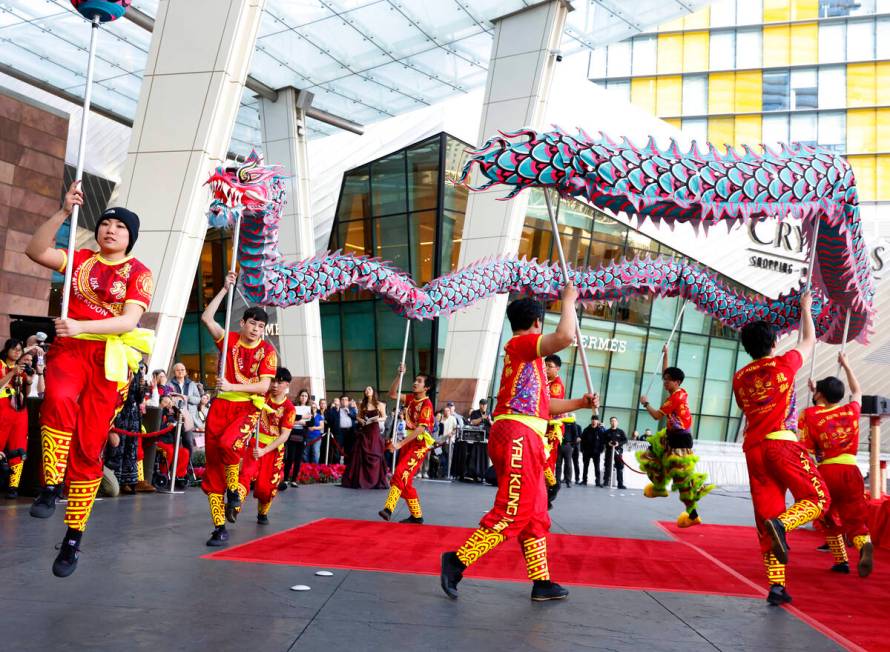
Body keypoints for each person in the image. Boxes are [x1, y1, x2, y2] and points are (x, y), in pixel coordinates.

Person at [26, 182, 154, 577]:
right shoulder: (79, 259)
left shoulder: (139, 273)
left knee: (87, 447)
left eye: (119, 226)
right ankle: (50, 486)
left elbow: (131, 320)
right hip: (70, 353)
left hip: (109, 361)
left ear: (130, 237)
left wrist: (81, 325)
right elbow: (35, 250)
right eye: (105, 223)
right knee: (59, 399)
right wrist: (64, 212)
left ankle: (73, 539)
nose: (110, 229)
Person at [440, 286, 598, 602]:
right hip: (518, 436)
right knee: (513, 510)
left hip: (526, 435)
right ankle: (456, 561)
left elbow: (544, 406)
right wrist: (568, 300)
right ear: (537, 323)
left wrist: (580, 402)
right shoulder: (522, 345)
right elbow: (566, 336)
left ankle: (541, 581)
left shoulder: (530, 359)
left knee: (536, 513)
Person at [732, 291, 829, 606]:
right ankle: (782, 524)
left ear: (748, 349)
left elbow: (746, 409)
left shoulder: (739, 377)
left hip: (754, 450)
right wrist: (804, 310)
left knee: (765, 516)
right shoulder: (783, 363)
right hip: (782, 444)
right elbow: (809, 341)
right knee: (818, 500)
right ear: (773, 343)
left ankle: (776, 587)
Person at [200, 270, 276, 547]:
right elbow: (207, 318)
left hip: (245, 408)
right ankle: (219, 527)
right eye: (252, 324)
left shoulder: (267, 352)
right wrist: (223, 288)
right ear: (242, 323)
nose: (256, 329)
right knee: (212, 469)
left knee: (229, 444)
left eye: (260, 326)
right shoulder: (229, 340)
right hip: (220, 408)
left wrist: (231, 387)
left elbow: (264, 387)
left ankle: (235, 488)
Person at [798, 352, 874, 578]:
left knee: (827, 516)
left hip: (828, 471)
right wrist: (847, 365)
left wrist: (814, 398)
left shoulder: (809, 414)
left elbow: (808, 447)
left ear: (819, 394)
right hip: (852, 470)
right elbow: (857, 392)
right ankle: (863, 545)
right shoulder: (850, 410)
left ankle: (841, 560)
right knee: (855, 516)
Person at [638, 343, 714, 527]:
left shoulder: (674, 398)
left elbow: (657, 417)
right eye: (665, 379)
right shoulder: (678, 391)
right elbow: (667, 372)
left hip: (680, 442)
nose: (665, 382)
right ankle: (659, 487)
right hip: (670, 437)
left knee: (682, 484)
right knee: (649, 456)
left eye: (668, 380)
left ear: (677, 382)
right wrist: (666, 354)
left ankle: (693, 515)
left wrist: (646, 403)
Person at [236, 367, 295, 524]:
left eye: (279, 382)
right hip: (255, 445)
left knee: (265, 488)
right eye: (273, 381)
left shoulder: (289, 408)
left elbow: (284, 435)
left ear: (287, 385)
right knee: (245, 474)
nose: (275, 385)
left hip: (273, 449)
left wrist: (264, 450)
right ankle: (234, 507)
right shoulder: (262, 396)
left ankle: (262, 513)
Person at [379, 365, 434, 524]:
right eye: (415, 380)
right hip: (409, 443)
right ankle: (417, 516)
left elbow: (420, 429)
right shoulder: (410, 398)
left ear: (427, 387)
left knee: (400, 473)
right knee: (406, 480)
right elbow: (392, 394)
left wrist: (399, 444)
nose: (415, 383)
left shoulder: (427, 405)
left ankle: (388, 508)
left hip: (419, 445)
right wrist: (399, 376)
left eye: (419, 381)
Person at [0, 339, 32, 498]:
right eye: (15, 349)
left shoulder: (21, 368)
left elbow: (28, 390)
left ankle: (13, 486)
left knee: (19, 445)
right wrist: (12, 373)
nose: (18, 352)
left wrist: (32, 377)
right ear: (7, 350)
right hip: (2, 407)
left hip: (19, 409)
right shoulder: (1, 364)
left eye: (20, 350)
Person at [342, 386, 389, 489]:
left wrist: (376, 420)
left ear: (373, 392)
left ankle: (375, 480)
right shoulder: (362, 404)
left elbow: (384, 417)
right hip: (365, 431)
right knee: (360, 453)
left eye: (370, 389)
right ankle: (360, 479)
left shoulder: (380, 404)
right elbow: (358, 416)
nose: (367, 391)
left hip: (374, 430)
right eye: (366, 389)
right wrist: (361, 420)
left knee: (374, 451)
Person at [106, 366, 144, 494]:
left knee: (131, 448)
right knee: (118, 447)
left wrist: (141, 383)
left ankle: (130, 481)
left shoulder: (138, 372)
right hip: (120, 411)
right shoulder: (118, 367)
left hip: (133, 414)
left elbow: (140, 397)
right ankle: (115, 479)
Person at [543, 354, 574, 505]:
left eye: (550, 366)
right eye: (545, 365)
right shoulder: (545, 381)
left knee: (546, 459)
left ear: (558, 369)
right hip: (543, 426)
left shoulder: (556, 385)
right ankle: (547, 488)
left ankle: (553, 485)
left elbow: (550, 406)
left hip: (552, 428)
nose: (546, 368)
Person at [155, 395, 191, 489]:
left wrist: (179, 418)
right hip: (159, 441)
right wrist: (167, 425)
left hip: (170, 442)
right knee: (170, 452)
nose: (168, 404)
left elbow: (181, 430)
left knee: (185, 452)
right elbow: (155, 427)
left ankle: (178, 475)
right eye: (166, 402)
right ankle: (164, 474)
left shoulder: (172, 414)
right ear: (161, 403)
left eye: (169, 402)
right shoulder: (157, 412)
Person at [281, 389, 311, 489]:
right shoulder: (293, 406)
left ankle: (294, 480)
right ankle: (285, 479)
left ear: (308, 398)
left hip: (302, 435)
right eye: (302, 395)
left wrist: (301, 422)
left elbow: (311, 422)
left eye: (305, 396)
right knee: (290, 458)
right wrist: (302, 417)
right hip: (292, 434)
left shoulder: (309, 409)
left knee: (298, 459)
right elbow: (291, 417)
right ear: (299, 396)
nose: (303, 398)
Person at [168, 362, 200, 452]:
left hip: (188, 418)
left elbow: (198, 399)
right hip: (175, 417)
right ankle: (175, 464)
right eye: (178, 370)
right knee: (175, 443)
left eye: (182, 370)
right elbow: (167, 399)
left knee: (188, 442)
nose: (180, 372)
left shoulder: (191, 384)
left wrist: (187, 398)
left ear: (185, 372)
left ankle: (188, 465)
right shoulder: (170, 384)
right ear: (174, 372)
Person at [602, 417, 627, 489]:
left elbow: (625, 440)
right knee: (607, 466)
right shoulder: (607, 432)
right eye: (612, 421)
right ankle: (606, 482)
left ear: (617, 422)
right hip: (609, 451)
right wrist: (608, 443)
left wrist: (618, 443)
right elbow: (603, 440)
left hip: (618, 452)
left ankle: (620, 484)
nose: (613, 422)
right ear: (610, 422)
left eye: (615, 421)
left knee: (619, 467)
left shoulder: (621, 431)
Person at [580, 415, 605, 486]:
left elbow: (602, 442)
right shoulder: (586, 429)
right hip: (587, 451)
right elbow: (582, 441)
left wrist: (601, 450)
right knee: (585, 466)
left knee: (597, 467)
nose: (594, 421)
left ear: (597, 421)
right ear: (591, 420)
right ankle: (584, 480)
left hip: (596, 452)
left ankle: (598, 482)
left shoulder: (600, 430)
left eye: (595, 419)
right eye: (593, 419)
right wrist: (582, 450)